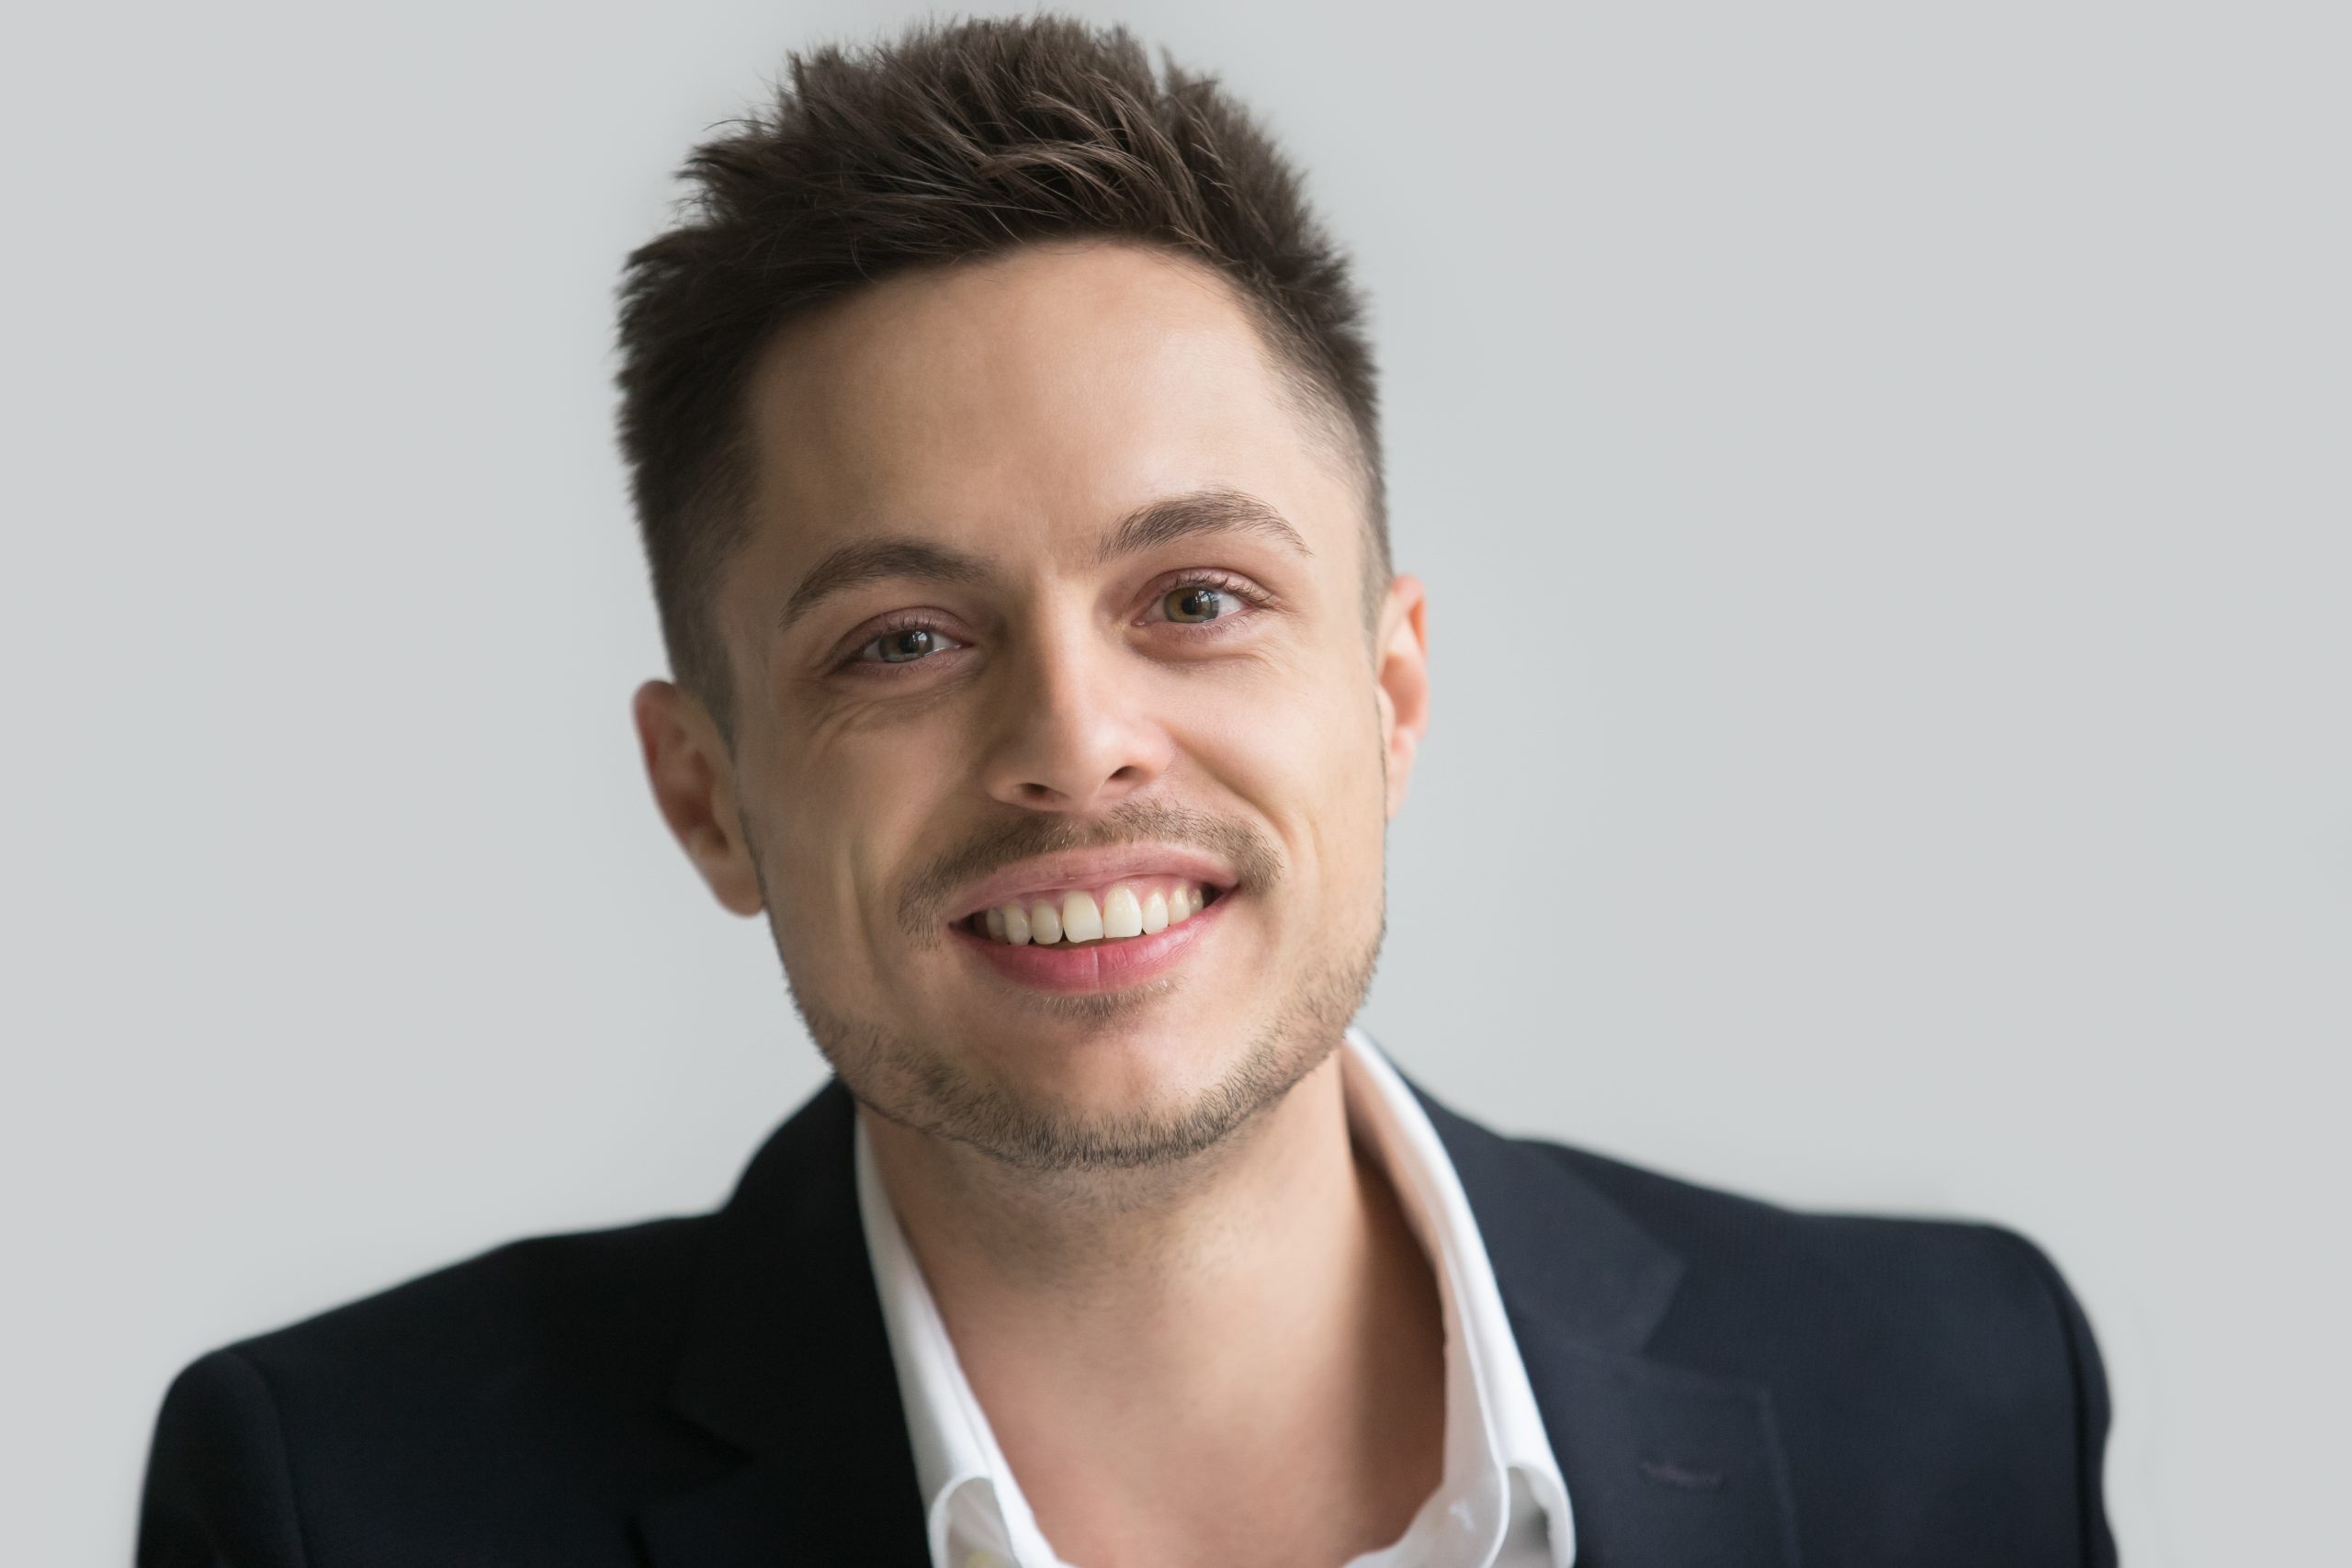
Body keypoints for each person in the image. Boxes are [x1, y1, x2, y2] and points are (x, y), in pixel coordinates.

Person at [137, 16, 2116, 1566]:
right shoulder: (341, 1502)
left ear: (1390, 694)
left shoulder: (1946, 1412)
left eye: (1196, 597)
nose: (1077, 741)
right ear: (707, 796)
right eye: (903, 639)